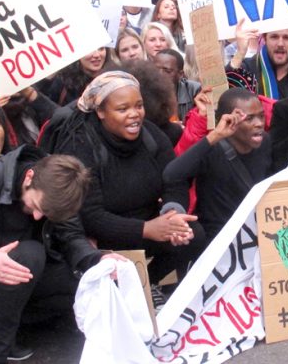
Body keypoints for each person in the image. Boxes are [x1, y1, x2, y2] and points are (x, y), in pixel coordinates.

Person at [46, 71, 205, 294]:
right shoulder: (80, 145)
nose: (134, 115)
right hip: (103, 237)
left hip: (152, 223)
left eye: (138, 106)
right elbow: (90, 215)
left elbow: (174, 179)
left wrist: (172, 213)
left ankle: (150, 287)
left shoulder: (151, 134)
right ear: (100, 111)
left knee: (193, 234)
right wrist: (146, 229)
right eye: (122, 109)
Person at [0, 146, 123, 362]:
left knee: (88, 282)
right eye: (35, 205)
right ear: (29, 177)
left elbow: (71, 236)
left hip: (18, 279)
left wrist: (97, 260)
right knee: (30, 254)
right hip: (6, 266)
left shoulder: (60, 191)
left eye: (45, 213)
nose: (36, 215)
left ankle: (14, 327)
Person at [164, 88, 271, 240]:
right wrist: (214, 136)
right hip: (218, 240)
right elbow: (171, 173)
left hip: (255, 235)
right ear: (227, 120)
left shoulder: (265, 142)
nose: (259, 124)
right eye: (249, 119)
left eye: (261, 116)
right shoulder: (211, 148)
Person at [229, 26, 288, 100]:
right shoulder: (248, 68)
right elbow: (227, 91)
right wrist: (240, 53)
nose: (280, 44)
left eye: (286, 38)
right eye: (274, 37)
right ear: (265, 38)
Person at [154, 49, 202, 122]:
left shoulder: (194, 90)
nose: (159, 74)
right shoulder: (144, 91)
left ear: (180, 74)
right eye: (155, 69)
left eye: (167, 71)